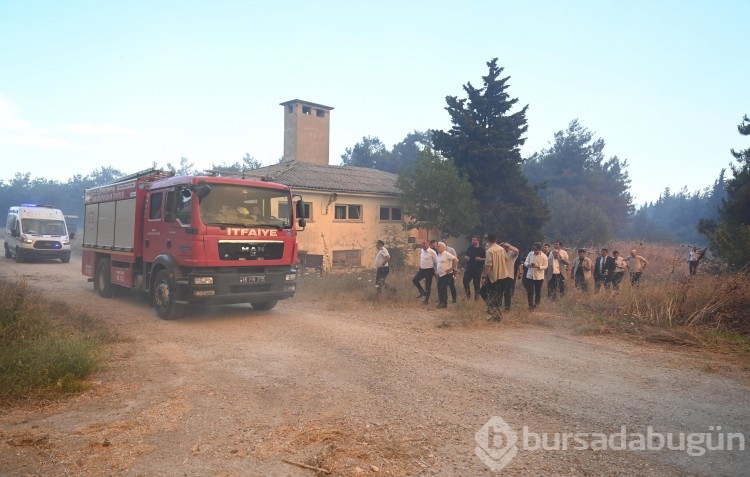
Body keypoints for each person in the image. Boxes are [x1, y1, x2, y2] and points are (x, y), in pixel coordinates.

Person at [481, 234, 509, 321]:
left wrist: (483, 276)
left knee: (486, 293)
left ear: (487, 240)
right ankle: (496, 314)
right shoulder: (501, 249)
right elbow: (506, 259)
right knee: (498, 296)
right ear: (496, 240)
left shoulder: (490, 251)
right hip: (504, 276)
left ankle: (496, 315)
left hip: (494, 277)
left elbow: (488, 266)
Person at [412, 239, 438, 304]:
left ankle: (426, 300)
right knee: (415, 280)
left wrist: (436, 272)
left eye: (424, 243)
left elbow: (437, 262)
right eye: (422, 243)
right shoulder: (422, 250)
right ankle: (422, 292)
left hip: (429, 270)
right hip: (422, 270)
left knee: (428, 286)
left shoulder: (432, 252)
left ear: (428, 244)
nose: (422, 245)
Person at [524, 242, 548, 310]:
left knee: (538, 292)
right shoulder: (530, 254)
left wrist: (538, 267)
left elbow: (545, 266)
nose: (535, 252)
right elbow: (525, 262)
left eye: (537, 250)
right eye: (535, 250)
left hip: (539, 276)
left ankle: (536, 305)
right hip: (530, 275)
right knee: (530, 292)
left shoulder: (544, 256)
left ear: (540, 249)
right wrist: (528, 265)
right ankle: (530, 306)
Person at [435, 242, 458, 309]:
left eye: (438, 246)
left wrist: (451, 269)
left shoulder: (446, 254)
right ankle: (444, 303)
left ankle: (441, 303)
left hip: (447, 274)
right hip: (440, 274)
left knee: (443, 288)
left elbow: (456, 260)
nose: (437, 247)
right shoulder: (439, 255)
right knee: (440, 288)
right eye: (437, 246)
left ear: (443, 247)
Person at [463, 235, 485, 300]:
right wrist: (466, 258)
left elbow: (486, 258)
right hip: (469, 268)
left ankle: (476, 298)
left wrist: (481, 259)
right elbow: (466, 255)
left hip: (477, 269)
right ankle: (468, 295)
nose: (472, 241)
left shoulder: (482, 250)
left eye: (474, 240)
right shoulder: (470, 248)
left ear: (478, 241)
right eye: (472, 240)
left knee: (476, 283)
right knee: (465, 281)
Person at [500, 241, 520, 310]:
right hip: (500, 275)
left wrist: (509, 246)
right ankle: (498, 307)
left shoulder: (512, 254)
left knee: (507, 293)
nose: (505, 248)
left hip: (509, 276)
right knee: (499, 292)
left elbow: (517, 251)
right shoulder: (500, 254)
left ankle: (507, 308)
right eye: (504, 247)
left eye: (506, 247)